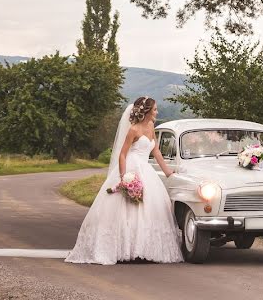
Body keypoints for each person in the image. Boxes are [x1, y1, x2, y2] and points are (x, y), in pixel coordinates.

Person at [65, 96, 184, 264]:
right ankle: (123, 249)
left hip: (146, 170)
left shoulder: (151, 127)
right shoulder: (133, 130)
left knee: (150, 208)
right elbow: (122, 154)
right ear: (147, 111)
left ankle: (142, 249)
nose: (157, 112)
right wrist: (124, 178)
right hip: (131, 167)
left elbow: (156, 151)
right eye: (155, 109)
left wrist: (167, 172)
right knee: (127, 210)